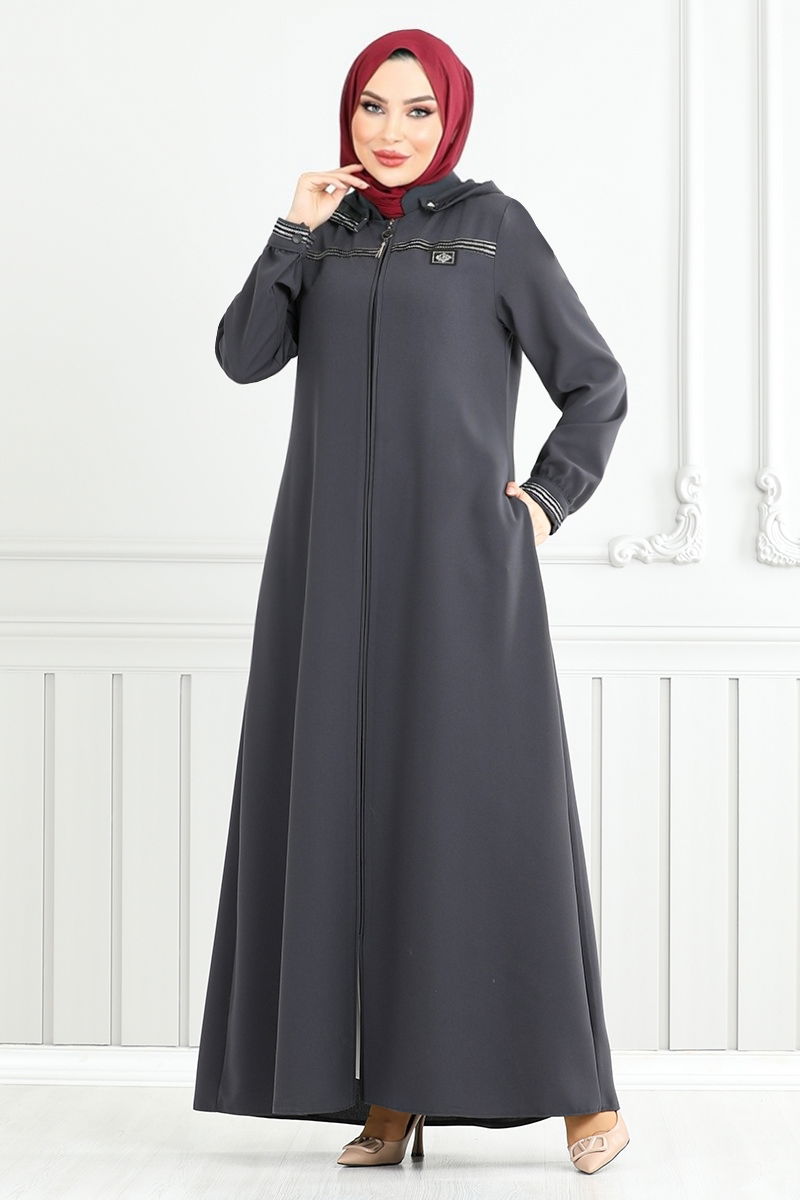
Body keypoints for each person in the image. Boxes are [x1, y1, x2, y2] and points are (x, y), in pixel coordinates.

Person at [193, 27, 630, 1177]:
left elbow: (595, 385)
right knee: (353, 822)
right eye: (372, 108)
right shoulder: (326, 236)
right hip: (325, 573)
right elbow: (243, 355)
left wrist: (542, 503)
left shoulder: (494, 230)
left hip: (461, 574)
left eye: (417, 110)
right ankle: (390, 1091)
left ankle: (582, 1094)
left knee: (490, 820)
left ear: (451, 118)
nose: (391, 131)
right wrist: (292, 229)